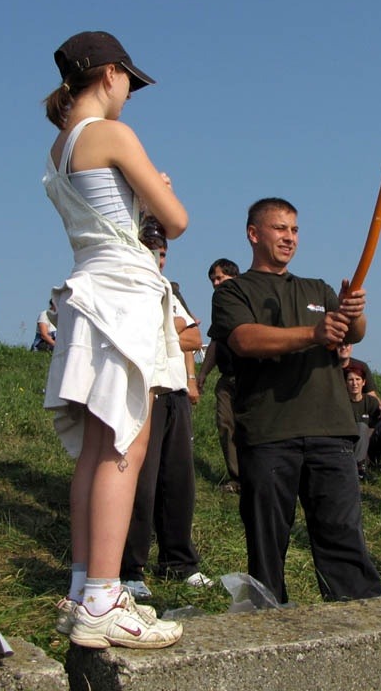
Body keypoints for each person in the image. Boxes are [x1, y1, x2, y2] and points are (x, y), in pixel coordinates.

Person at [42, 30, 187, 649]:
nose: (130, 93)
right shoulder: (113, 134)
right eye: (129, 80)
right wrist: (159, 188)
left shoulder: (60, 144)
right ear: (108, 75)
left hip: (88, 288)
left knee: (99, 444)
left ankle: (86, 589)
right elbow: (174, 222)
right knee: (127, 437)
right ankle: (103, 598)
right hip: (122, 292)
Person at [209, 197, 381, 605]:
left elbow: (352, 332)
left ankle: (358, 620)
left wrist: (353, 312)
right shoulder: (234, 291)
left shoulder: (317, 289)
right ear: (254, 234)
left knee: (343, 536)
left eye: (295, 230)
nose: (289, 237)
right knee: (268, 544)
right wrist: (312, 334)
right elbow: (244, 339)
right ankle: (269, 625)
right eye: (280, 228)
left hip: (332, 431)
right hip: (270, 434)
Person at [121, 245, 212, 599]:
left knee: (178, 482)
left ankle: (179, 561)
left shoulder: (169, 289)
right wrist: (172, 329)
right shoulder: (130, 285)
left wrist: (165, 328)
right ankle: (130, 568)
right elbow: (137, 333)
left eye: (162, 254)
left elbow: (194, 338)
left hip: (175, 392)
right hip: (146, 391)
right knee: (142, 485)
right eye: (152, 253)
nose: (159, 260)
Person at [196, 258, 241, 493]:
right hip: (226, 377)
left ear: (234, 277)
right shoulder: (220, 306)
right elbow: (215, 340)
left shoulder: (246, 299)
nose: (216, 283)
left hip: (250, 377)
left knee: (252, 429)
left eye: (220, 277)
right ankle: (237, 478)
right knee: (225, 424)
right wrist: (202, 373)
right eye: (213, 279)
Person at [344, 364, 381, 480]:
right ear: (346, 383)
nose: (354, 383)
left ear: (363, 382)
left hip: (369, 446)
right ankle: (359, 470)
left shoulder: (371, 402)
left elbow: (378, 425)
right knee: (361, 427)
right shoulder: (343, 403)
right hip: (350, 448)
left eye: (357, 379)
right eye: (351, 380)